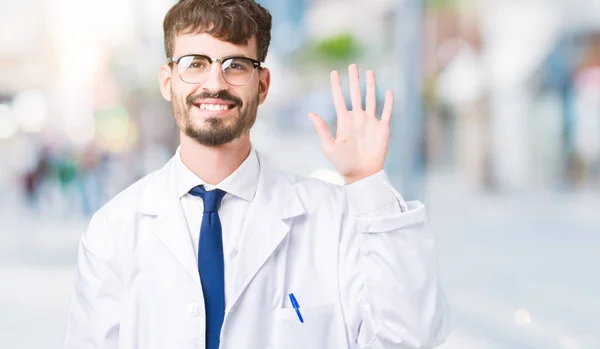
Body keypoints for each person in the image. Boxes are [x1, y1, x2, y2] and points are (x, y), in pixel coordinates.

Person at [64, 0, 453, 348]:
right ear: (168, 81)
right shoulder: (113, 230)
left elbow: (412, 337)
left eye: (235, 65)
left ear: (262, 84)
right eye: (195, 64)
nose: (214, 84)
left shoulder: (333, 219)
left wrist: (369, 183)